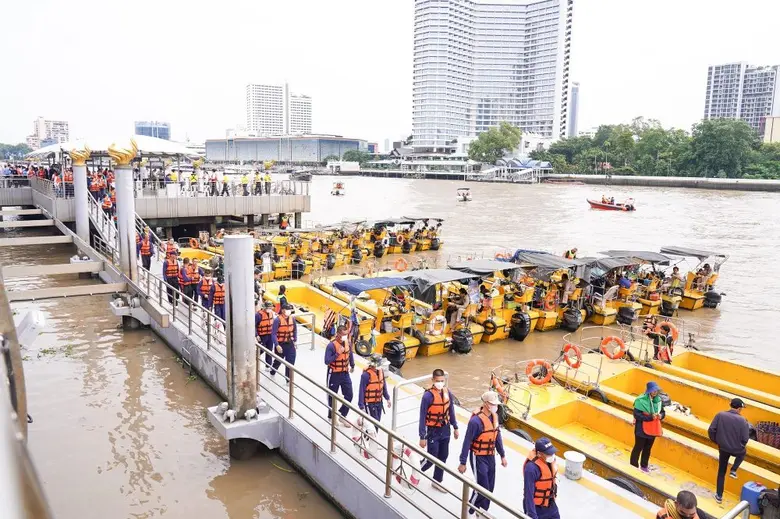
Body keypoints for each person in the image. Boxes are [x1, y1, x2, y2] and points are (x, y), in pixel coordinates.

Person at [458, 391, 507, 514]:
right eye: (493, 404)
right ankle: (469, 510)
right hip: (478, 457)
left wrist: (502, 455)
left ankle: (483, 512)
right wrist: (462, 462)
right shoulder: (475, 422)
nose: (495, 406)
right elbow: (467, 441)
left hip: (490, 456)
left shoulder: (494, 418)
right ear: (486, 404)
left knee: (489, 488)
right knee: (482, 487)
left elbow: (497, 437)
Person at [419, 368, 459, 491]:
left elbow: (451, 411)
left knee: (443, 456)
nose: (440, 383)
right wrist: (422, 436)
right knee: (431, 458)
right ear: (433, 380)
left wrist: (455, 427)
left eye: (442, 381)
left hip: (445, 429)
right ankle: (416, 470)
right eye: (437, 381)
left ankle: (437, 481)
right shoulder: (427, 396)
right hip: (433, 431)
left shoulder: (447, 393)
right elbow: (422, 416)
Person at [708, 398, 750, 504]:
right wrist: (740, 446)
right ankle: (734, 470)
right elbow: (745, 438)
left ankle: (719, 496)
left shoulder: (720, 415)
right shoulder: (743, 420)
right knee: (743, 452)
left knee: (721, 472)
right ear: (739, 409)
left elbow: (711, 430)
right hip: (737, 449)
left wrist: (717, 441)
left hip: (723, 448)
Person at [631, 381, 665, 473]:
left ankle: (644, 466)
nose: (655, 392)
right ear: (649, 391)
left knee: (648, 448)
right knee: (638, 447)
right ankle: (633, 465)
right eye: (653, 391)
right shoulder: (640, 400)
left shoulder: (658, 401)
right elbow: (637, 415)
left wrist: (661, 416)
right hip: (641, 429)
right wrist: (650, 417)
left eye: (656, 390)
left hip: (653, 429)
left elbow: (663, 412)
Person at [324, 325, 355, 426]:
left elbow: (350, 354)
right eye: (343, 334)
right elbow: (327, 361)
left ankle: (342, 415)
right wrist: (337, 353)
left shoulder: (348, 343)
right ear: (338, 334)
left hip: (345, 373)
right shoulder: (331, 345)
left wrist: (352, 365)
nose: (345, 336)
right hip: (334, 373)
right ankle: (331, 417)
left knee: (349, 394)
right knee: (332, 396)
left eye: (346, 334)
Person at [523, 438, 560, 519]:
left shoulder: (549, 462)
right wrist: (532, 515)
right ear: (539, 454)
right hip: (536, 508)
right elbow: (528, 494)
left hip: (550, 504)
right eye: (549, 453)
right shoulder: (531, 469)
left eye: (552, 452)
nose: (552, 455)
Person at [358, 354, 391, 431]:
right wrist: (361, 406)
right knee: (373, 424)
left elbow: (383, 386)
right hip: (370, 404)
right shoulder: (365, 376)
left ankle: (369, 436)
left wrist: (387, 398)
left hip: (379, 402)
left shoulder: (381, 372)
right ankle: (369, 437)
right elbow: (361, 391)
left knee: (377, 423)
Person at [270, 303, 297, 381]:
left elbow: (295, 330)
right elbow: (273, 334)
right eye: (287, 309)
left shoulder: (292, 319)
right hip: (280, 344)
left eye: (289, 310)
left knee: (290, 363)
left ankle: (288, 380)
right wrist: (277, 345)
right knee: (278, 361)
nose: (289, 311)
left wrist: (295, 340)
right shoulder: (277, 320)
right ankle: (273, 371)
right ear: (283, 310)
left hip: (290, 344)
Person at [255, 301, 275, 370]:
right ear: (264, 307)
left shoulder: (271, 313)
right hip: (262, 336)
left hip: (270, 335)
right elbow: (254, 326)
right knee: (261, 350)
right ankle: (253, 359)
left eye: (270, 308)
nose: (269, 309)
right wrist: (256, 335)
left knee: (269, 350)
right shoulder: (258, 315)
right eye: (268, 307)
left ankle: (268, 365)